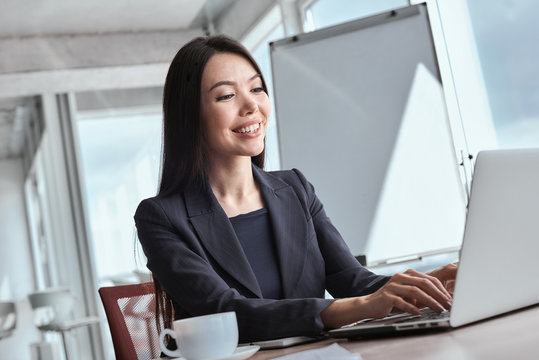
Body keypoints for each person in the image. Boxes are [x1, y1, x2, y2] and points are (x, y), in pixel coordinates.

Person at [134, 35, 457, 343]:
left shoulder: (294, 188)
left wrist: (423, 284)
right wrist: (360, 307)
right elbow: (226, 311)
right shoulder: (160, 217)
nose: (251, 106)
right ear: (189, 115)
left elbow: (351, 281)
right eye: (226, 96)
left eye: (257, 89)